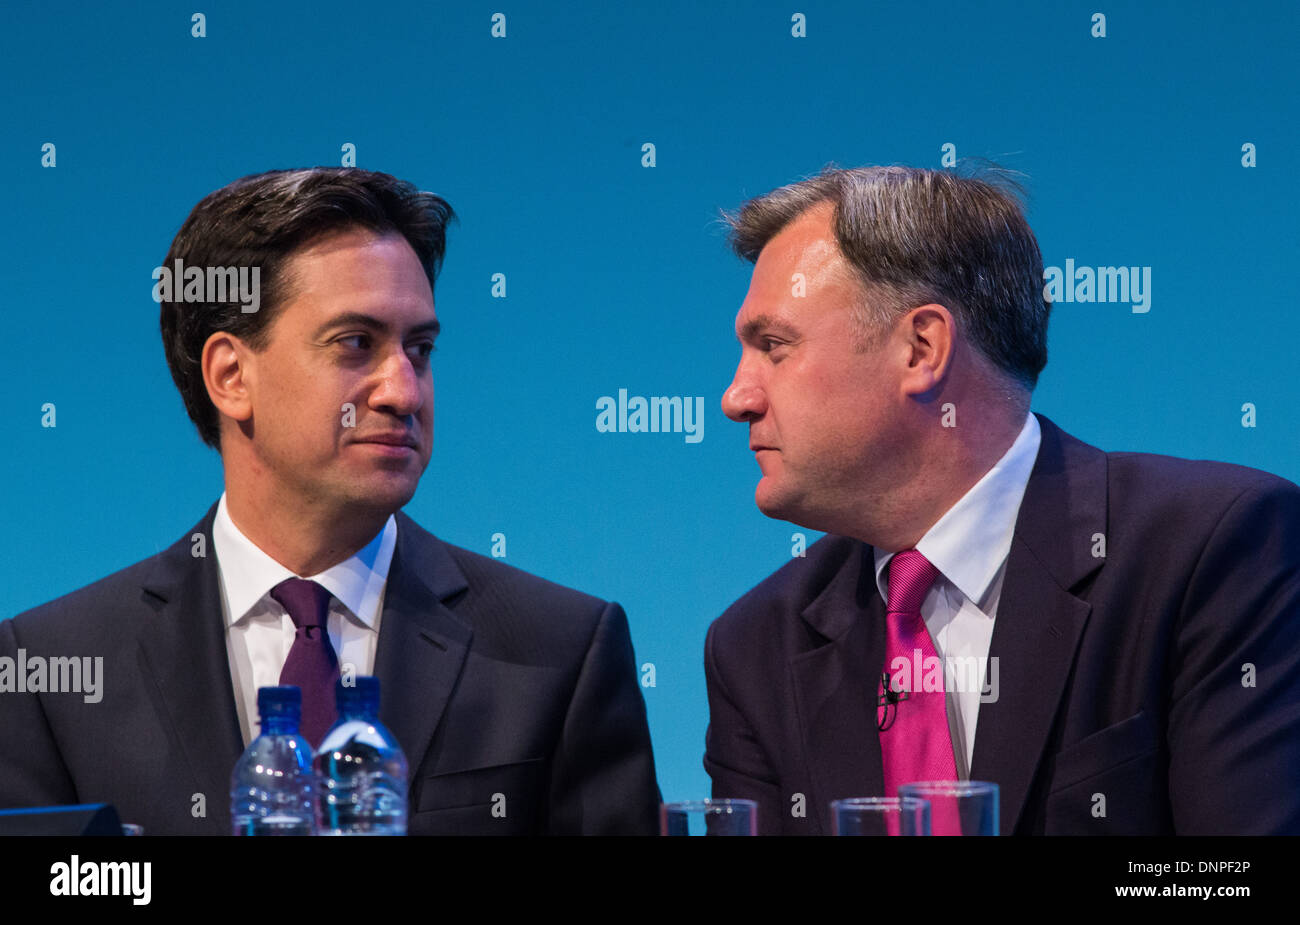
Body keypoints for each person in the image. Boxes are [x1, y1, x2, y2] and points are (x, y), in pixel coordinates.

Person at [0, 167, 659, 835]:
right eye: (355, 344)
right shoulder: (50, 672)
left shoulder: (559, 651)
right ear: (231, 376)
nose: (403, 391)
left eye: (419, 349)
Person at [705, 165, 1300, 835]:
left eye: (774, 346)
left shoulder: (1213, 552)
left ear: (921, 348)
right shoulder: (756, 645)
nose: (737, 397)